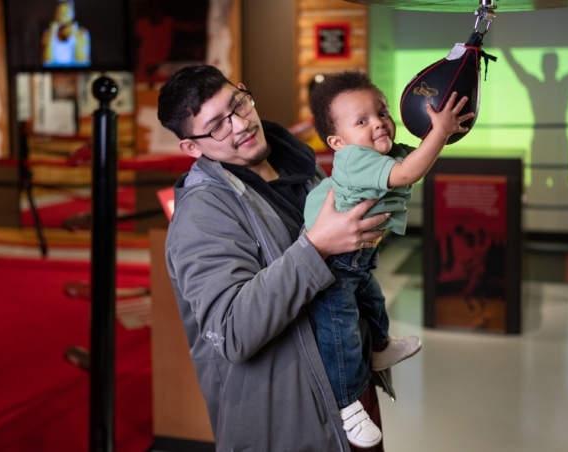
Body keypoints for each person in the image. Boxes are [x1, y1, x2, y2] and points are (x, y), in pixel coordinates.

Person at [157, 65, 393, 451]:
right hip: (289, 421)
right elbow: (232, 332)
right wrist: (315, 247)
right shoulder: (201, 214)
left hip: (349, 384)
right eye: (217, 125)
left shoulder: (297, 161)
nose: (239, 125)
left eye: (238, 104)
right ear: (192, 148)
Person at [303, 71, 474, 447]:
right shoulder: (353, 159)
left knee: (373, 301)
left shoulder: (385, 151)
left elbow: (418, 161)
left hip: (358, 260)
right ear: (337, 141)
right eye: (361, 121)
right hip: (333, 267)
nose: (379, 123)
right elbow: (410, 171)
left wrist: (440, 128)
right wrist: (439, 133)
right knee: (341, 336)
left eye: (381, 112)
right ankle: (348, 408)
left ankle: (380, 348)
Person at [41, 0, 90, 67]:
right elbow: (46, 62)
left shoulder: (82, 33)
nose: (62, 16)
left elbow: (82, 62)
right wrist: (52, 34)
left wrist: (75, 35)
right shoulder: (48, 33)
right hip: (55, 74)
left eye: (65, 13)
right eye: (59, 12)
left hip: (75, 74)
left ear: (73, 14)